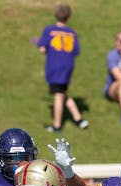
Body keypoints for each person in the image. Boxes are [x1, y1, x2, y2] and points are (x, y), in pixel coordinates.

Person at [36, 4, 88, 132]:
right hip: (68, 66)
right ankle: (79, 119)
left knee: (58, 95)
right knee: (62, 92)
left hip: (54, 66)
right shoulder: (72, 33)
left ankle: (57, 125)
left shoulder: (49, 30)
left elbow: (42, 49)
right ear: (68, 17)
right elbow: (76, 51)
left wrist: (40, 44)